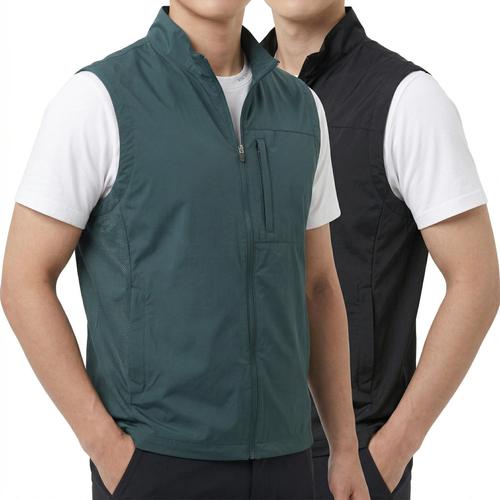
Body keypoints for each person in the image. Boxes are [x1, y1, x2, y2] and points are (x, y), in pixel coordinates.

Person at [1, 1, 370, 499]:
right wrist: (107, 449)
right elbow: (23, 279)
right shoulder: (98, 98)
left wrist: (344, 448)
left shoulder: (302, 108)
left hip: (286, 461)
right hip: (155, 461)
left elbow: (318, 287)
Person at [262, 1, 499, 499]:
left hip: (343, 468)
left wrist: (389, 454)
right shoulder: (231, 92)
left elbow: (477, 280)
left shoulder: (407, 99)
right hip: (219, 455)